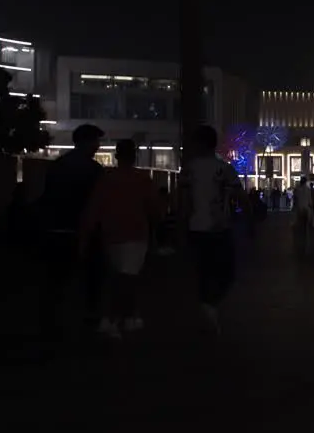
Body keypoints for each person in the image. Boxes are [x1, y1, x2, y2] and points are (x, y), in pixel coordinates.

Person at [79, 139, 162, 338]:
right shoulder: (142, 179)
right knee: (128, 278)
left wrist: (85, 236)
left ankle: (124, 317)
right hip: (136, 233)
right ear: (134, 156)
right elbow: (155, 210)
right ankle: (116, 318)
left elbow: (93, 209)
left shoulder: (107, 179)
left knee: (119, 276)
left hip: (111, 234)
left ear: (117, 155)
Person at [37, 123, 105, 333]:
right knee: (90, 277)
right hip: (85, 229)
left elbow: (47, 197)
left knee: (57, 278)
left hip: (57, 228)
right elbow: (98, 202)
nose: (98, 146)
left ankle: (52, 320)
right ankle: (88, 317)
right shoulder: (94, 170)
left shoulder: (58, 166)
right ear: (87, 142)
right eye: (96, 141)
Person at [178, 125, 247, 332]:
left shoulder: (189, 169)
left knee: (203, 270)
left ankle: (207, 304)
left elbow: (183, 201)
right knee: (227, 271)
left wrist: (180, 228)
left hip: (196, 228)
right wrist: (250, 218)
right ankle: (210, 304)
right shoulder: (224, 168)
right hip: (220, 227)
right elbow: (239, 195)